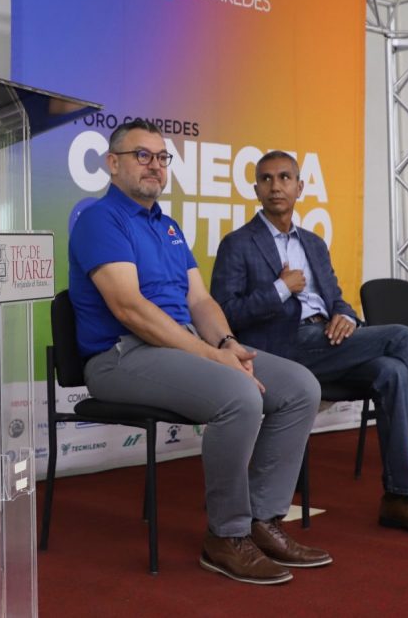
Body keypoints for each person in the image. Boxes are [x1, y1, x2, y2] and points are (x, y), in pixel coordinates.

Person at [69, 121, 328, 585]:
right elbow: (130, 309)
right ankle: (226, 537)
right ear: (112, 163)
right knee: (239, 395)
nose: (154, 165)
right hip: (121, 356)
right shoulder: (99, 219)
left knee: (300, 387)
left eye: (161, 157)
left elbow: (201, 301)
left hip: (180, 345)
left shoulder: (168, 226)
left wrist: (227, 344)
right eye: (142, 155)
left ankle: (263, 520)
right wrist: (211, 357)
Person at [211, 151, 408, 539]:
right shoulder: (238, 243)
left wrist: (346, 317)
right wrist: (280, 289)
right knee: (403, 337)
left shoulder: (313, 244)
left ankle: (399, 498)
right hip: (281, 349)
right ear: (256, 190)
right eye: (266, 179)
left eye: (284, 177)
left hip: (326, 340)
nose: (275, 186)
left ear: (299, 187)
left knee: (393, 371)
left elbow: (336, 299)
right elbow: (226, 313)